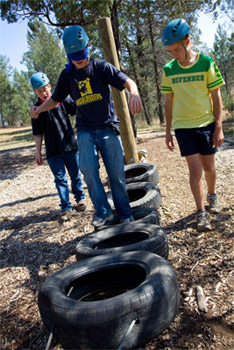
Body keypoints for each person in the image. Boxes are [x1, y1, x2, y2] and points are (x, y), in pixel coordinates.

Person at [31, 25, 142, 228]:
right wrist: (39, 110)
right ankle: (103, 213)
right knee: (89, 171)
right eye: (74, 55)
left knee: (116, 174)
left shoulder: (101, 67)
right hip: (85, 131)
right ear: (67, 53)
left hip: (108, 127)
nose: (79, 58)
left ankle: (125, 214)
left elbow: (127, 81)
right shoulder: (67, 76)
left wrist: (133, 93)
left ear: (88, 48)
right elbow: (55, 99)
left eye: (82, 53)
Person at [161, 18, 225, 231]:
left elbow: (216, 95)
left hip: (206, 124)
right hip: (183, 127)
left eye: (177, 49)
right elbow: (168, 101)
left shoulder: (206, 63)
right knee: (195, 170)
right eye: (171, 51)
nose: (174, 55)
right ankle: (200, 212)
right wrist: (168, 130)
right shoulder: (169, 70)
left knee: (209, 168)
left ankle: (212, 195)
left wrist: (219, 126)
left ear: (188, 41)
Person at [30, 72, 86, 221]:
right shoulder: (35, 110)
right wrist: (38, 152)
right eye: (39, 91)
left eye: (44, 89)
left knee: (75, 175)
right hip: (53, 151)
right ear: (35, 92)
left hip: (70, 146)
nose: (43, 93)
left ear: (50, 86)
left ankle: (80, 199)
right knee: (60, 179)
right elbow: (37, 133)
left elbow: (76, 109)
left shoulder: (61, 100)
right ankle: (66, 207)